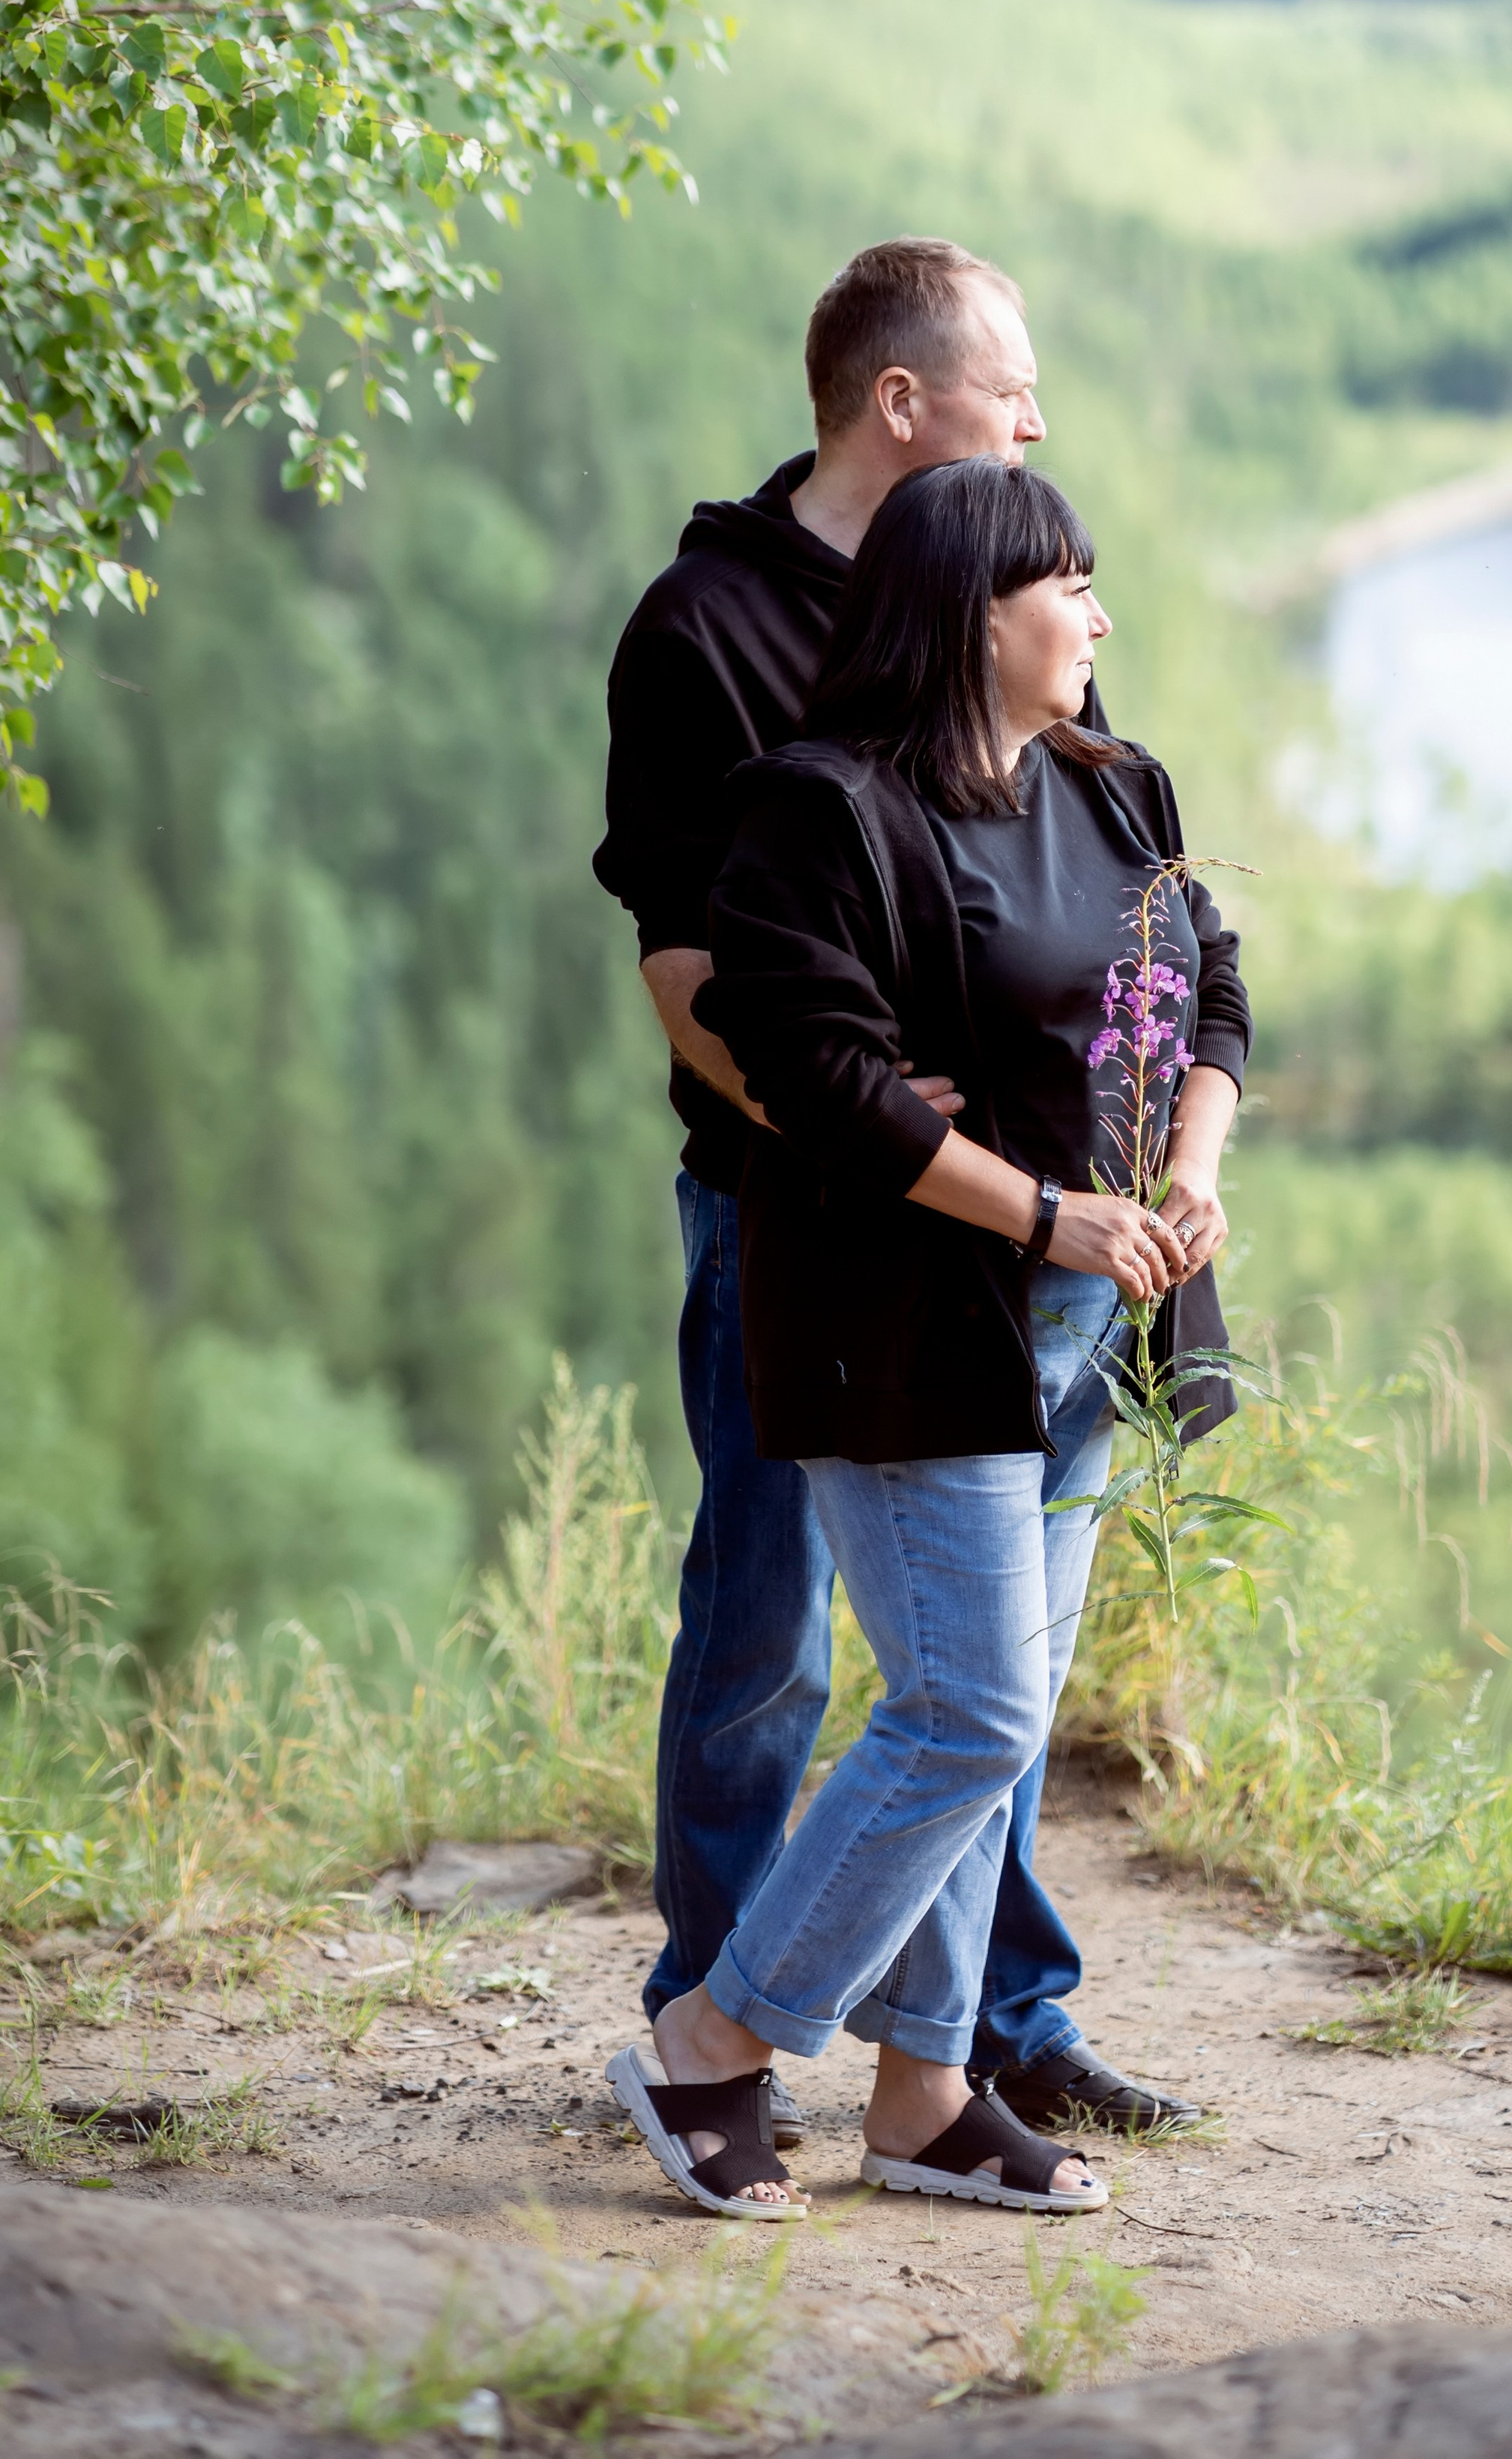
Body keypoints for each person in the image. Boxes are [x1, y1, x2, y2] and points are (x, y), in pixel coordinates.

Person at [594, 241, 1200, 2145]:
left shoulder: (1009, 590)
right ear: (900, 406)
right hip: (825, 1227)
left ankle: (981, 2035)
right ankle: (720, 2020)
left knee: (981, 1661)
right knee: (776, 1631)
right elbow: (693, 969)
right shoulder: (705, 630)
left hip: (1026, 1248)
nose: (1035, 420)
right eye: (1010, 387)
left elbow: (1124, 923)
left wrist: (1133, 1152)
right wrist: (854, 1130)